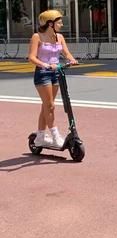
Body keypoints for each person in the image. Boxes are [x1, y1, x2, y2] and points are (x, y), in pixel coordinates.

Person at [27, 10, 78, 147]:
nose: (61, 25)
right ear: (50, 23)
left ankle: (40, 136)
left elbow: (66, 53)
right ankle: (56, 137)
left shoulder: (60, 37)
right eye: (59, 22)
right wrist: (46, 65)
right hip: (43, 72)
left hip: (56, 73)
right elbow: (31, 57)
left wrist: (72, 60)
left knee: (46, 106)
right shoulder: (37, 37)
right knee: (50, 106)